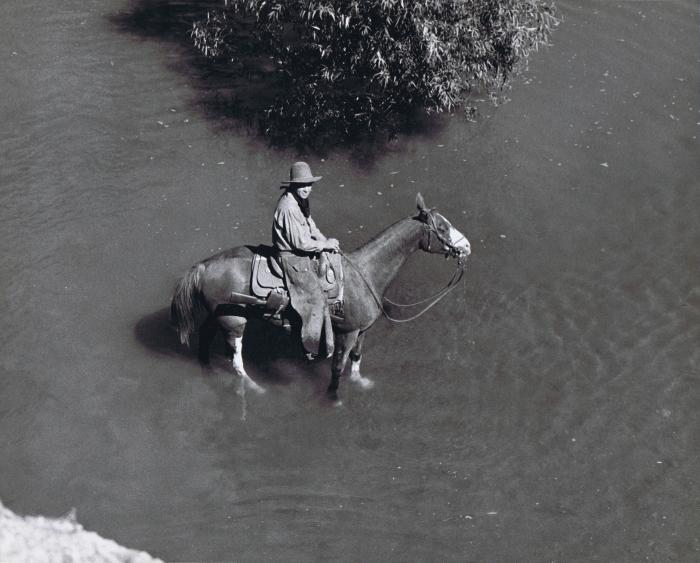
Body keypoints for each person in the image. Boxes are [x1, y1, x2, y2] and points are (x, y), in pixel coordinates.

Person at [272, 161, 340, 359]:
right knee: (316, 298)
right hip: (291, 256)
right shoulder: (288, 207)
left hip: (303, 249)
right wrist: (324, 245)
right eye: (302, 185)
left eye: (309, 184)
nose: (306, 189)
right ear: (293, 185)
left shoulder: (301, 200)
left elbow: (311, 226)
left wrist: (325, 240)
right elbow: (300, 243)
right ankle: (309, 346)